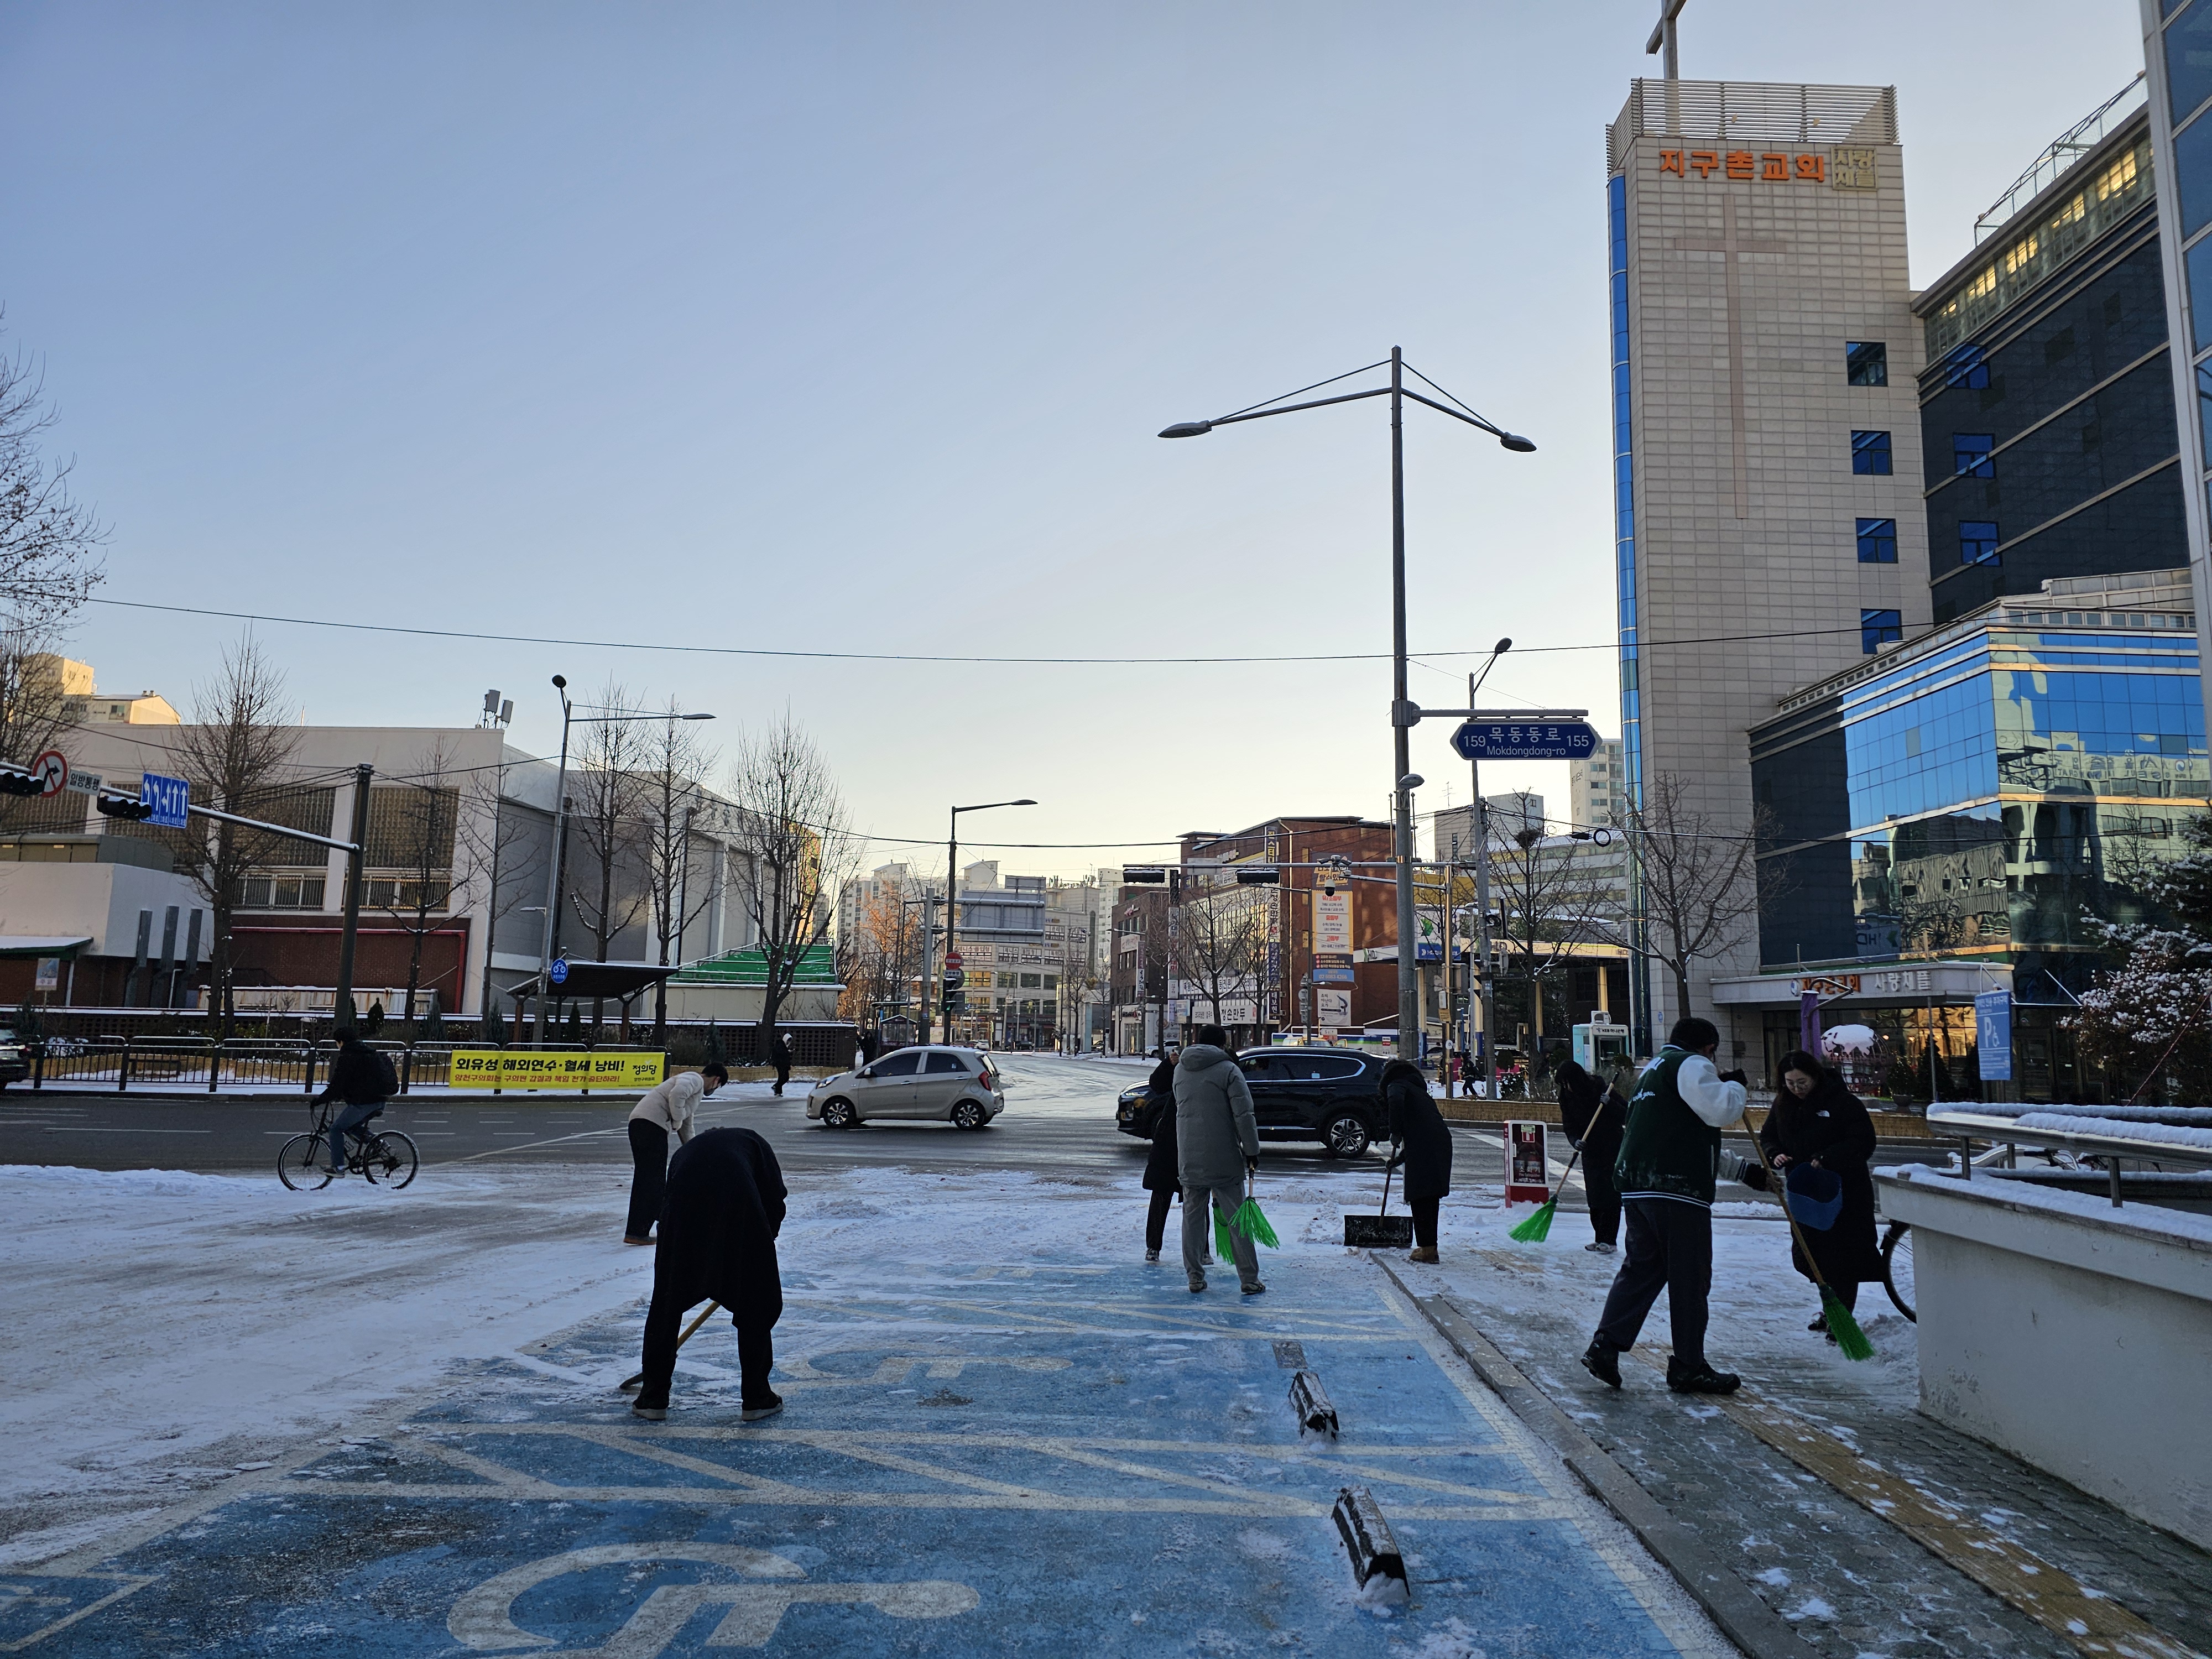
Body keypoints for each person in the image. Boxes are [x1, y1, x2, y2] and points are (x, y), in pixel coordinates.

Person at [1582, 1016, 1749, 1395]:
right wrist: (1736, 1086)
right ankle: (1689, 1365)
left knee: (1642, 1269)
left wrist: (1742, 1171)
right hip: (1676, 1189)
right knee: (1690, 1278)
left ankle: (1606, 1345)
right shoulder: (1690, 1064)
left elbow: (1677, 1133)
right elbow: (1722, 1110)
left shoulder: (1652, 1073)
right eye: (1712, 1053)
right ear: (1707, 1047)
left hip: (1638, 1187)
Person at [632, 1125, 787, 1423]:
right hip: (739, 1216)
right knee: (755, 1304)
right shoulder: (753, 1141)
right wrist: (764, 1239)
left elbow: (667, 1201)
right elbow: (774, 1195)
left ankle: (653, 1397)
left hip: (682, 1223)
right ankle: (757, 1398)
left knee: (667, 1306)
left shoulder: (686, 1152)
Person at [1761, 1049, 1882, 1337]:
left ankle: (1842, 1318)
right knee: (1813, 1255)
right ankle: (1831, 1309)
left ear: (1815, 1076)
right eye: (1790, 1083)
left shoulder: (1841, 1102)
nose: (1796, 1089)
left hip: (1843, 1191)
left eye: (1802, 1082)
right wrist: (1775, 1154)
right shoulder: (1783, 1105)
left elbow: (1863, 1141)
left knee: (1843, 1257)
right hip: (1806, 1194)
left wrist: (1828, 1157)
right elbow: (1769, 1136)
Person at [1173, 1024, 1264, 1296]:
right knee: (1237, 1219)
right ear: (1222, 1044)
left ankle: (1194, 1277)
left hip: (1188, 1154)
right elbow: (1244, 1114)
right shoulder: (1229, 1071)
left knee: (1192, 1218)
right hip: (1224, 1156)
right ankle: (1249, 1279)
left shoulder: (1181, 1069)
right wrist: (1252, 1151)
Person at [625, 1063, 727, 1245]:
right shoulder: (695, 1079)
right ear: (716, 1080)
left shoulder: (694, 1093)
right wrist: (677, 1120)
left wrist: (694, 1148)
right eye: (718, 1086)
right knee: (652, 1180)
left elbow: (687, 1124)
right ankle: (638, 1231)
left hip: (643, 1124)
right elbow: (677, 1095)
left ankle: (641, 1228)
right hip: (651, 1124)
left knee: (647, 1178)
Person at [1380, 1057, 1452, 1264]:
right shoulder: (1418, 1091)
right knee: (1429, 1196)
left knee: (1420, 1195)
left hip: (1426, 1144)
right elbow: (1422, 1132)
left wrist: (1395, 1131)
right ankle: (1430, 1247)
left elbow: (1395, 1100)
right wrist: (1400, 1159)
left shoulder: (1396, 1085)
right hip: (1439, 1143)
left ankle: (1427, 1249)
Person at [1556, 1058, 1626, 1254]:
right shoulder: (1567, 1098)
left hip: (1611, 1148)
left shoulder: (1601, 1089)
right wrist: (1575, 1140)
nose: (1567, 1088)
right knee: (1594, 1198)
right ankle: (1599, 1238)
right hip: (1590, 1151)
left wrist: (1609, 1103)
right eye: (1563, 1084)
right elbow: (1569, 1125)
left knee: (1610, 1196)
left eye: (1568, 1083)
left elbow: (1626, 1113)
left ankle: (1610, 1241)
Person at [316, 1030, 395, 1177]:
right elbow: (357, 1080)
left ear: (341, 1042)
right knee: (351, 1126)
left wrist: (321, 1099)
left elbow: (339, 1082)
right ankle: (379, 1144)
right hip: (378, 1100)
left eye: (337, 1043)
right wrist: (339, 1094)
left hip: (365, 1103)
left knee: (335, 1129)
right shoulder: (366, 1052)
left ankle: (338, 1168)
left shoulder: (349, 1055)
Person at [1140, 1046, 1188, 1262]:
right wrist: (1169, 1064)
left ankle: (1201, 1248)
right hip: (1172, 1139)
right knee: (1165, 1193)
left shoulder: (1217, 1067)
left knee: (1195, 1197)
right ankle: (1154, 1246)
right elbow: (1158, 1084)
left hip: (1191, 1139)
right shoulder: (1181, 1066)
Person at [769, 1032, 793, 1097]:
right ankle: (776, 1087)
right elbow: (780, 1054)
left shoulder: (782, 1046)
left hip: (782, 1064)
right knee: (784, 1078)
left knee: (782, 1078)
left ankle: (778, 1091)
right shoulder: (781, 1046)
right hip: (781, 1064)